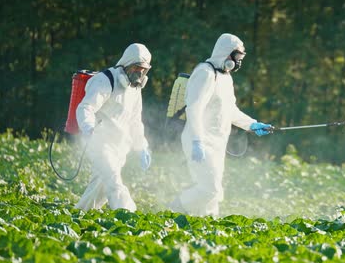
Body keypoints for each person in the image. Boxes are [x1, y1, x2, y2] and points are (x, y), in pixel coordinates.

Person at [169, 33, 272, 216]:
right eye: (237, 57)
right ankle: (174, 209)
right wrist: (197, 141)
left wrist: (253, 125)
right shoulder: (205, 72)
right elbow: (194, 109)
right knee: (210, 189)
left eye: (241, 58)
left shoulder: (226, 77)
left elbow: (231, 111)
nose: (238, 62)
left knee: (214, 196)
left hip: (217, 144)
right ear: (226, 53)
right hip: (200, 141)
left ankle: (203, 231)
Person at [75, 43, 153, 212]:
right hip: (100, 143)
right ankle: (129, 217)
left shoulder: (135, 89)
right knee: (114, 183)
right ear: (126, 64)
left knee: (100, 187)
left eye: (143, 70)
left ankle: (80, 213)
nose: (140, 73)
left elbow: (135, 121)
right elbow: (85, 108)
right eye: (136, 68)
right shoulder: (105, 80)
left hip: (120, 147)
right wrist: (88, 129)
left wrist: (142, 147)